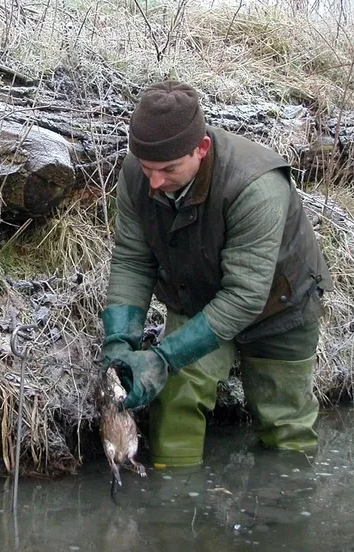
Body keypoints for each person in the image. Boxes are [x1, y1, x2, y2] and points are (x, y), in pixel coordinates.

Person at [100, 80, 332, 468]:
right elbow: (132, 258)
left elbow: (244, 297)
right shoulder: (137, 175)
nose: (154, 182)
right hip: (199, 296)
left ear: (201, 149)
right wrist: (119, 340)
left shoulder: (255, 185)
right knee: (175, 398)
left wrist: (160, 357)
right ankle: (171, 509)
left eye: (169, 169)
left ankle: (287, 513)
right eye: (147, 168)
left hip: (281, 304)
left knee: (285, 424)